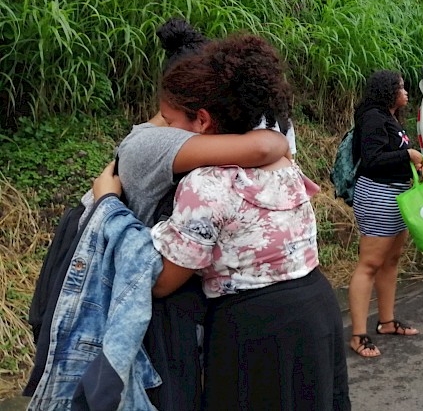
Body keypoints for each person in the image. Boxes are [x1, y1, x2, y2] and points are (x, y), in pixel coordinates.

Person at [95, 34, 351, 410]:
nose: (165, 129)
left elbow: (163, 282)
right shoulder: (283, 164)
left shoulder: (205, 184)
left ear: (202, 119)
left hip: (255, 327)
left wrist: (110, 207)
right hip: (315, 308)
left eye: (170, 121)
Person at [348, 70, 423, 358]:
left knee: (391, 261)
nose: (405, 92)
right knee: (369, 264)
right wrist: (408, 155)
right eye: (401, 87)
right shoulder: (373, 118)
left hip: (397, 194)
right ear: (387, 91)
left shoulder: (390, 119)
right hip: (378, 195)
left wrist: (412, 163)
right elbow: (372, 159)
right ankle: (357, 334)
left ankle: (387, 321)